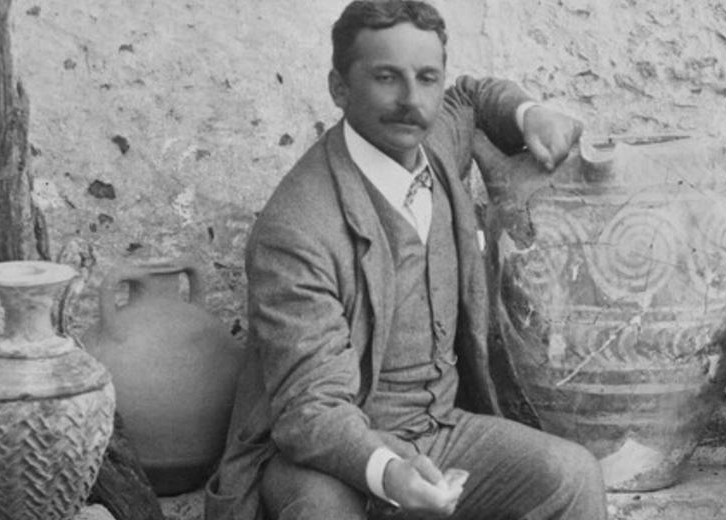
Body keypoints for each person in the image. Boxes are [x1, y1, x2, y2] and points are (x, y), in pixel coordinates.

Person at [203, 1, 606, 518]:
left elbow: (473, 97)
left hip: (441, 431)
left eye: (426, 78)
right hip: (327, 453)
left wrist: (529, 112)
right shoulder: (296, 229)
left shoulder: (433, 141)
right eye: (386, 78)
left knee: (570, 476)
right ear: (339, 88)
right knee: (321, 511)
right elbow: (311, 411)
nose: (411, 100)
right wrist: (392, 473)